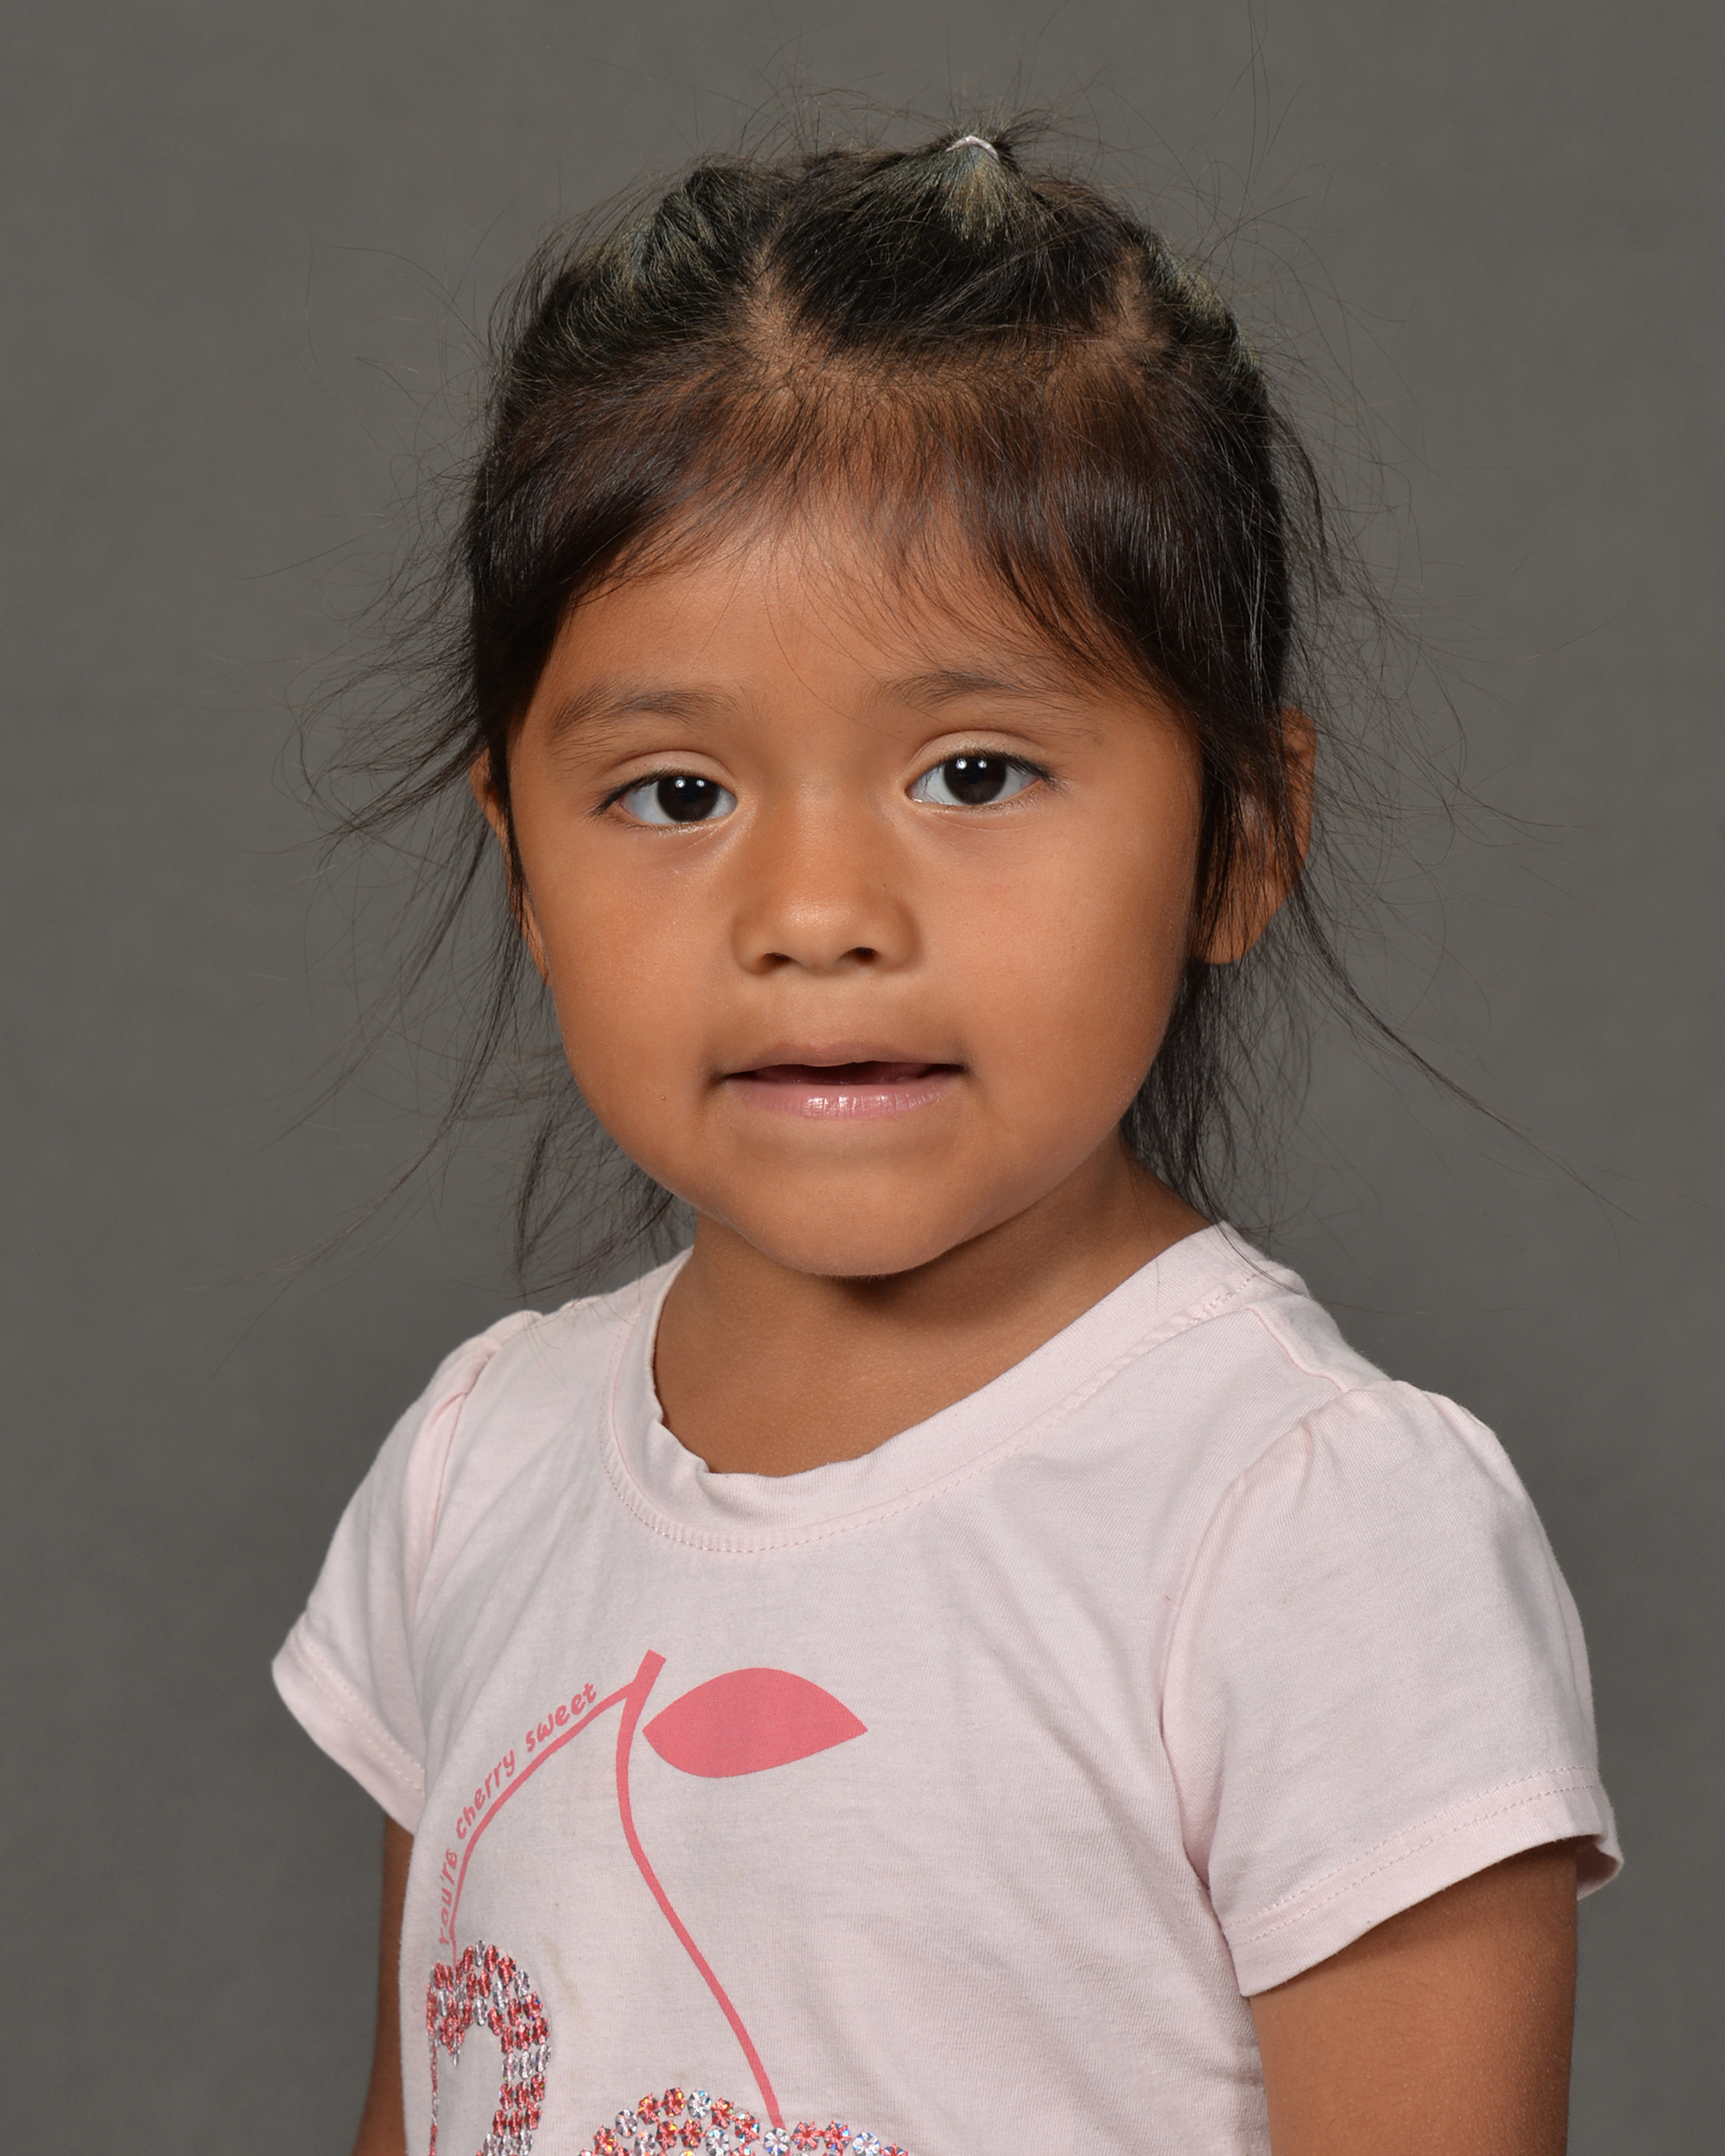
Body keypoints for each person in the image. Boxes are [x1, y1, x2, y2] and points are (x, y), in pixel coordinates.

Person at [274, 128, 1618, 2156]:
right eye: (675, 793)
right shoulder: (478, 1471)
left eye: (973, 773)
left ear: (1241, 839)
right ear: (523, 862)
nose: (818, 912)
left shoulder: (1311, 1533)